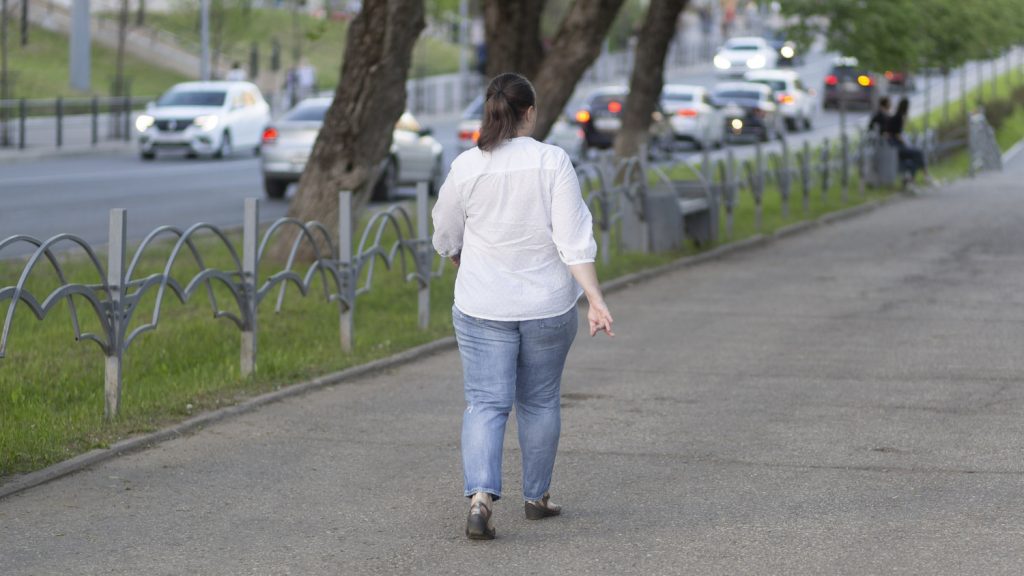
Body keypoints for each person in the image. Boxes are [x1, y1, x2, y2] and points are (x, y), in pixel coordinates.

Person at [432, 72, 615, 541]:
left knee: (485, 404)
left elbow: (445, 231)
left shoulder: (466, 166)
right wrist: (594, 299)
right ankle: (537, 498)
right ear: (529, 112)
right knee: (539, 401)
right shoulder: (552, 161)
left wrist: (458, 255)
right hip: (547, 305)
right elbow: (574, 240)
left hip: (481, 304)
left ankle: (479, 499)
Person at [887, 97, 931, 187]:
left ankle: (911, 180)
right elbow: (897, 134)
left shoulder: (897, 116)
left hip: (898, 146)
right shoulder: (899, 117)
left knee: (914, 160)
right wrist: (906, 143)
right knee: (918, 153)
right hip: (898, 147)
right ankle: (925, 175)